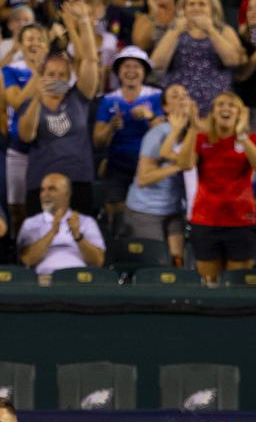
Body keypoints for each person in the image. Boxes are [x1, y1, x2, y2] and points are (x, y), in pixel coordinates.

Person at [16, 1, 101, 216]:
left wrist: (83, 22)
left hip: (78, 182)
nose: (56, 79)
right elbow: (26, 136)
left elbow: (90, 60)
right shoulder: (30, 104)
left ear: (70, 77)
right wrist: (37, 97)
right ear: (42, 76)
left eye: (62, 75)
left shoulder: (78, 98)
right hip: (41, 184)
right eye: (51, 75)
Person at [172, 91, 256, 283]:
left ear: (240, 113)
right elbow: (184, 164)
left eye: (231, 105)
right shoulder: (202, 140)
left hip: (241, 222)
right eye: (220, 104)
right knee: (209, 283)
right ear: (212, 112)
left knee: (238, 283)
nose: (225, 108)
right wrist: (193, 129)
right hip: (206, 221)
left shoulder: (250, 139)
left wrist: (242, 134)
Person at [93, 47, 163, 227]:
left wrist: (150, 117)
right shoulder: (108, 100)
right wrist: (110, 127)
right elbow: (98, 141)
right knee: (116, 216)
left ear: (144, 72)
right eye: (126, 66)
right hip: (117, 166)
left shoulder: (157, 96)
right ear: (118, 71)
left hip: (149, 165)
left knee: (148, 217)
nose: (131, 71)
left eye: (136, 66)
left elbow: (167, 133)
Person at [150, 0, 245, 114]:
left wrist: (211, 30)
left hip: (217, 108)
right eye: (191, 4)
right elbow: (156, 64)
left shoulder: (224, 31)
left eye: (202, 4)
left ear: (212, 9)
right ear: (184, 9)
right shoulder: (174, 31)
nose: (196, 8)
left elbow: (233, 61)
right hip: (180, 107)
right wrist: (175, 31)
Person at [123, 84, 190, 264]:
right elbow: (144, 178)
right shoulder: (158, 132)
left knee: (179, 263)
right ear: (166, 107)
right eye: (175, 96)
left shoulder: (192, 133)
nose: (182, 99)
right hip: (146, 210)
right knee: (158, 264)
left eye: (185, 95)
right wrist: (178, 166)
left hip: (175, 209)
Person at [17, 172, 105, 275]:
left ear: (67, 194)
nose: (45, 194)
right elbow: (27, 260)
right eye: (42, 190)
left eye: (52, 189)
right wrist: (52, 232)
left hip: (79, 280)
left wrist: (78, 237)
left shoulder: (87, 222)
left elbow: (98, 261)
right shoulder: (30, 223)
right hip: (44, 280)